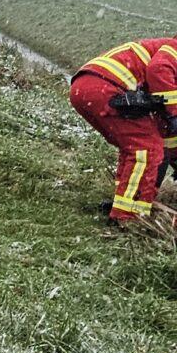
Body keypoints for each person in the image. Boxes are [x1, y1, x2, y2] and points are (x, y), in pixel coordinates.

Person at [69, 36, 177, 232]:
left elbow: (166, 127)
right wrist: (174, 113)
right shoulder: (173, 49)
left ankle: (122, 202)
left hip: (87, 88)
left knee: (134, 148)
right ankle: (128, 219)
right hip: (106, 89)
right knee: (147, 149)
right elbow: (158, 70)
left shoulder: (162, 48)